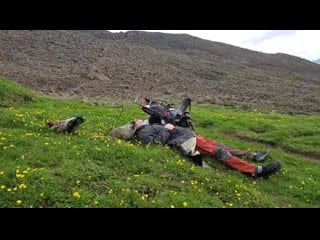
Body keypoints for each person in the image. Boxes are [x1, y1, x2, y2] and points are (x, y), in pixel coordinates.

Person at [108, 119, 281, 179]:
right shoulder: (143, 133)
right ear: (133, 130)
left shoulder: (145, 128)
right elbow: (156, 144)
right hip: (186, 140)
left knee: (219, 146)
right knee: (219, 152)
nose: (136, 120)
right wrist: (167, 130)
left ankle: (253, 156)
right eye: (133, 123)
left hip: (187, 135)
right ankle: (256, 171)